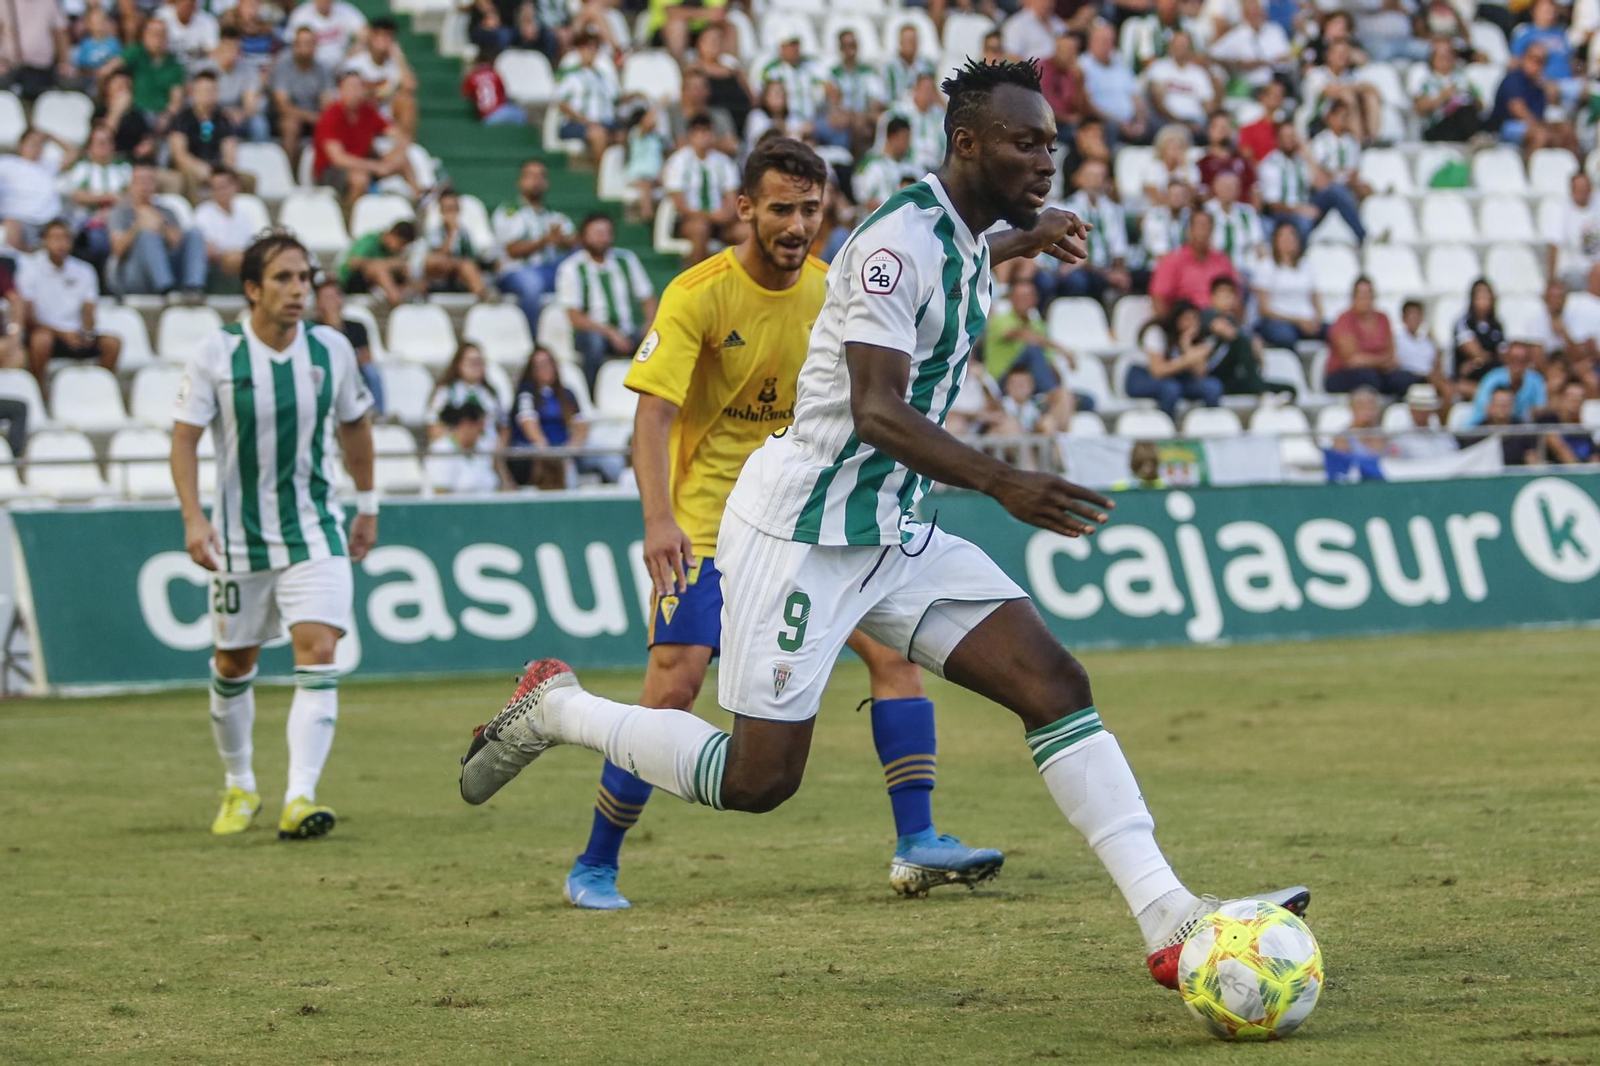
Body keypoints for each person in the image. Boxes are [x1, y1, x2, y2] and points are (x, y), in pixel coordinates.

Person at [458, 61, 1310, 968]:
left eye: (1053, 145)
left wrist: (1030, 234)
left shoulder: (963, 233)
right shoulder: (891, 244)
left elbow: (967, 255)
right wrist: (1001, 481)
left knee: (1054, 686)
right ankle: (559, 709)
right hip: (802, 535)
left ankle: (1168, 919)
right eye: (1027, 144)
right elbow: (877, 412)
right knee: (758, 782)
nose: (1047, 161)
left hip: (893, 533)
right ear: (968, 144)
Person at [477, 136, 1005, 909]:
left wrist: (1017, 237)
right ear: (745, 209)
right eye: (783, 209)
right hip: (700, 527)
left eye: (812, 210)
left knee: (894, 658)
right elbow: (652, 417)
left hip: (803, 520)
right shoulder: (697, 294)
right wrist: (657, 520)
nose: (798, 226)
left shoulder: (836, 289)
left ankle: (917, 841)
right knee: (676, 684)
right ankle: (595, 863)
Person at [170, 229, 377, 841]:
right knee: (234, 664)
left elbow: (356, 427)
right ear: (253, 289)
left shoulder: (331, 349)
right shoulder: (215, 353)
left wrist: (367, 505)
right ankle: (239, 784)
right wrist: (192, 517)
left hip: (316, 530)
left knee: (317, 650)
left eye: (305, 278)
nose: (298, 290)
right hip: (238, 539)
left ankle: (300, 797)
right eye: (284, 279)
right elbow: (184, 438)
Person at [15, 219, 120, 395]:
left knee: (113, 343)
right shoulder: (30, 268)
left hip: (75, 333)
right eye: (55, 238)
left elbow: (89, 309)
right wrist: (61, 334)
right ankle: (40, 392)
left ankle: (100, 391)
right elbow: (29, 318)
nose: (61, 243)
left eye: (65, 238)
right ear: (45, 241)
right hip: (48, 333)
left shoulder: (84, 270)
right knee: (41, 340)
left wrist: (86, 332)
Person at [554, 213, 657, 389]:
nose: (602, 238)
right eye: (596, 232)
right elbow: (575, 317)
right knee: (595, 343)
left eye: (606, 232)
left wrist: (649, 323)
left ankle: (652, 392)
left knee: (656, 339)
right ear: (583, 236)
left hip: (626, 330)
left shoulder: (625, 259)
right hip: (592, 331)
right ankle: (592, 391)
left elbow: (647, 297)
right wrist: (610, 332)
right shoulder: (571, 267)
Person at [314, 71, 422, 210]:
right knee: (359, 180)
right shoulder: (331, 115)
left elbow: (396, 134)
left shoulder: (367, 111)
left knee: (401, 161)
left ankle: (419, 197)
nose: (357, 92)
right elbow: (338, 158)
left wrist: (397, 152)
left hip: (364, 162)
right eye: (352, 87)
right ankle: (350, 217)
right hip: (331, 171)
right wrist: (376, 166)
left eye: (359, 87)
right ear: (340, 90)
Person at [493, 159, 576, 330]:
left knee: (580, 260)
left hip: (550, 271)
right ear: (520, 181)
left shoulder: (554, 215)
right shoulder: (509, 212)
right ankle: (532, 340)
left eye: (541, 176)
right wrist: (545, 241)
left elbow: (576, 242)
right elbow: (512, 250)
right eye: (530, 176)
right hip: (517, 272)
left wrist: (564, 240)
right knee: (531, 284)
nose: (536, 181)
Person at [1257, 120, 1364, 245]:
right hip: (1284, 213)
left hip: (1306, 206)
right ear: (1278, 139)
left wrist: (1308, 156)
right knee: (1303, 221)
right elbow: (1274, 205)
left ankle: (1363, 236)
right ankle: (1298, 256)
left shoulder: (1301, 160)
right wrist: (1301, 210)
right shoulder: (1270, 164)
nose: (1290, 140)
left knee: (1336, 190)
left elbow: (1322, 184)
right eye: (1285, 137)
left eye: (1292, 136)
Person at [108, 164, 208, 296]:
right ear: (131, 186)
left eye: (149, 181)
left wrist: (161, 227)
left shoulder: (167, 211)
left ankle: (194, 287)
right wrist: (139, 226)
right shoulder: (120, 212)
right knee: (148, 235)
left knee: (195, 233)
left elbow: (176, 243)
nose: (144, 186)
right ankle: (165, 288)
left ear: (155, 186)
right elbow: (118, 250)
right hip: (135, 273)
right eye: (140, 182)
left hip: (169, 266)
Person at [661, 115, 743, 266]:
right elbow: (680, 204)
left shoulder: (724, 163)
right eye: (699, 133)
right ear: (690, 136)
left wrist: (725, 215)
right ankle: (699, 281)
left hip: (721, 222)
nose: (703, 137)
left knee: (747, 232)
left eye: (707, 132)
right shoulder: (678, 161)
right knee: (700, 229)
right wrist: (710, 216)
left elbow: (732, 198)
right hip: (690, 220)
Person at [1201, 277, 1295, 399]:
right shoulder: (1207, 315)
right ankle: (1261, 391)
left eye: (1231, 295)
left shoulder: (1233, 321)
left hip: (1233, 377)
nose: (1228, 299)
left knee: (1290, 389)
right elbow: (1226, 332)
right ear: (1213, 297)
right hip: (1212, 376)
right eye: (1223, 295)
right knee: (1241, 340)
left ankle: (1261, 389)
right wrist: (1250, 340)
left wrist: (1255, 345)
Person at [508, 347, 587, 489]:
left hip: (563, 449)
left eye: (548, 363)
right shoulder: (527, 393)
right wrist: (547, 451)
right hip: (536, 450)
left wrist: (571, 448)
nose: (545, 369)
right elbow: (529, 424)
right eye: (539, 365)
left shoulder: (567, 394)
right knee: (546, 465)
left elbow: (580, 425)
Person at [1325, 276, 1418, 397]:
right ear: (1354, 297)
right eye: (1362, 294)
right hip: (1343, 374)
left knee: (1406, 380)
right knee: (1368, 378)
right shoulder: (1344, 320)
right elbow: (1352, 360)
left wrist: (1374, 361)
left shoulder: (1383, 318)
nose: (1366, 299)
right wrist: (1381, 361)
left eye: (1369, 294)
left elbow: (1391, 353)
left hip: (1378, 372)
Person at [1056, 158, 1130, 306]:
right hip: (1080, 269)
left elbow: (1119, 250)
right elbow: (1077, 257)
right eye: (1090, 176)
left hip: (1106, 268)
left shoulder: (1113, 210)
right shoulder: (1067, 208)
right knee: (1078, 280)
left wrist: (1119, 271)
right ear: (1079, 179)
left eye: (1100, 176)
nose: (1095, 181)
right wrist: (1106, 274)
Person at [1129, 301, 1224, 416]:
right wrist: (1186, 360)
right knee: (1170, 389)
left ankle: (1206, 426)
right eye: (1186, 319)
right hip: (1143, 377)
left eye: (1195, 319)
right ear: (1176, 320)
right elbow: (1157, 371)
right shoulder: (1157, 332)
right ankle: (1167, 427)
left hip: (1176, 379)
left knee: (1213, 386)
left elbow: (1201, 374)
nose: (1191, 324)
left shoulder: (1194, 337)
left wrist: (1186, 346)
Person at [167, 71, 247, 202]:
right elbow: (179, 155)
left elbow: (230, 150)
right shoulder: (181, 119)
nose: (209, 94)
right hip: (192, 169)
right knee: (191, 178)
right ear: (194, 92)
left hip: (216, 169)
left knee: (247, 180)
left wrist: (224, 171)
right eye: (205, 90)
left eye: (213, 90)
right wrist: (201, 169)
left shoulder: (223, 120)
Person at [1492, 43, 1578, 156]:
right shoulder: (1514, 78)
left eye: (1542, 61)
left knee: (1566, 129)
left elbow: (1547, 108)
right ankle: (1530, 169)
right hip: (1507, 126)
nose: (1538, 65)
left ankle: (1573, 169)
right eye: (1534, 59)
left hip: (1533, 122)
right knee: (1540, 134)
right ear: (1524, 58)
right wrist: (1542, 127)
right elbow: (1518, 110)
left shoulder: (1538, 84)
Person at [1148, 209, 1237, 317]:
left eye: (1207, 226)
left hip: (1223, 319)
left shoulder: (1222, 260)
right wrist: (1170, 328)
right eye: (1200, 226)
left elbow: (1235, 296)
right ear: (1189, 230)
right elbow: (1159, 299)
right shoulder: (1172, 261)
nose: (1204, 231)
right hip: (1190, 320)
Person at [313, 275, 383, 412]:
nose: (332, 302)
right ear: (318, 304)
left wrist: (337, 325)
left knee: (372, 372)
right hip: (324, 371)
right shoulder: (313, 329)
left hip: (354, 370)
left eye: (335, 297)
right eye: (327, 298)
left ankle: (378, 413)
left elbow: (366, 357)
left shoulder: (357, 326)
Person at [270, 26, 336, 165]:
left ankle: (326, 170)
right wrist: (312, 117)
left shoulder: (323, 69)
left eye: (310, 44)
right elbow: (283, 107)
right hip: (288, 118)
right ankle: (290, 173)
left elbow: (327, 103)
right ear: (295, 46)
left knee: (334, 122)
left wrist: (321, 118)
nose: (306, 49)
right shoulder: (283, 67)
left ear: (315, 46)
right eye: (302, 44)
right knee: (291, 125)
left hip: (315, 117)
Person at [342, 16, 416, 138]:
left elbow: (410, 86)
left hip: (386, 117)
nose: (384, 41)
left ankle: (405, 144)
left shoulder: (395, 64)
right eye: (380, 36)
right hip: (360, 115)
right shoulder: (356, 63)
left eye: (388, 37)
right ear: (371, 37)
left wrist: (399, 58)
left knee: (407, 101)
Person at [556, 31, 622, 164]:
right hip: (577, 123)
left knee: (624, 135)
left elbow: (617, 99)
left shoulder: (603, 77)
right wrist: (584, 120)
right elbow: (561, 103)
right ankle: (600, 179)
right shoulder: (570, 75)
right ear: (579, 50)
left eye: (595, 47)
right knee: (598, 134)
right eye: (587, 47)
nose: (591, 51)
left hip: (604, 122)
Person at [1081, 19, 1149, 145]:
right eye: (1103, 41)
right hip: (1104, 122)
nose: (1108, 45)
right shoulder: (1083, 66)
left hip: (1131, 121)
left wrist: (1141, 122)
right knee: (1109, 130)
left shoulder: (1120, 62)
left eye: (1110, 41)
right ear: (1091, 42)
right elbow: (1088, 104)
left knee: (1156, 127)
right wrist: (1119, 124)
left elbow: (1137, 96)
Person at [0, 129, 68, 250]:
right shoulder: (6, 163)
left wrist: (50, 136)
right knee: (11, 227)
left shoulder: (48, 165)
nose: (36, 148)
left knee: (62, 232)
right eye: (32, 143)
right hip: (19, 221)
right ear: (21, 145)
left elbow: (73, 153)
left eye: (39, 144)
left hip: (49, 221)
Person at [825, 30, 887, 157]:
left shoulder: (868, 72)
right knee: (836, 123)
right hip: (845, 119)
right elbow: (834, 103)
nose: (850, 50)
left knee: (881, 120)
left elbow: (877, 101)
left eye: (853, 45)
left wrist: (862, 117)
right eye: (846, 45)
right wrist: (853, 119)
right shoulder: (832, 74)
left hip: (864, 118)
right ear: (840, 48)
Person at [1142, 31, 1217, 134]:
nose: (1180, 49)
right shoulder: (1158, 68)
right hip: (1167, 120)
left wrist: (1210, 122)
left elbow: (1208, 104)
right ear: (1170, 47)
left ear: (1190, 49)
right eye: (1177, 45)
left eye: (1184, 45)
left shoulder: (1199, 73)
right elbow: (1158, 103)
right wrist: (1180, 122)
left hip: (1196, 121)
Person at [427, 342, 506, 439]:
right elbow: (433, 425)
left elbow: (504, 426)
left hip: (486, 448)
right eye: (471, 361)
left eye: (479, 361)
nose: (476, 366)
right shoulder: (446, 392)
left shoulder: (490, 393)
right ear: (459, 364)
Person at [421, 190, 490, 299]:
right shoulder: (435, 231)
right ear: (441, 211)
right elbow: (439, 256)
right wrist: (451, 233)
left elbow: (469, 256)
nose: (450, 214)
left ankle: (483, 297)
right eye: (447, 209)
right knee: (432, 261)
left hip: (459, 274)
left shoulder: (464, 232)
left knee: (467, 266)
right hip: (440, 273)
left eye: (453, 209)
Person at [1209, 0, 1289, 91]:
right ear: (1245, 14)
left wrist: (1263, 63)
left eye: (1258, 11)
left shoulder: (1275, 30)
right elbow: (1212, 55)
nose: (1256, 15)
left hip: (1278, 82)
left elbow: (1286, 56)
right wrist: (1237, 64)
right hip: (1250, 86)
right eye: (1252, 12)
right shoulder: (1236, 35)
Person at [426, 399, 502, 494]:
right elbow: (440, 494)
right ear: (466, 424)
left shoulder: (484, 448)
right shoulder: (441, 450)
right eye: (480, 427)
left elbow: (501, 484)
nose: (482, 432)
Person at [194, 168, 257, 282]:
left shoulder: (244, 214)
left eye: (224, 186)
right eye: (215, 188)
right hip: (219, 262)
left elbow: (251, 242)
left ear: (236, 187)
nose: (221, 191)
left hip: (243, 257)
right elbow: (210, 250)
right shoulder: (203, 213)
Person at [208, 29, 270, 144]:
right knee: (205, 125)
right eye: (227, 50)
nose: (231, 54)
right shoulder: (207, 70)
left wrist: (241, 114)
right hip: (213, 115)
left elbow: (251, 104)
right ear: (219, 51)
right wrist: (224, 115)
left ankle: (260, 159)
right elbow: (203, 101)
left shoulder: (248, 71)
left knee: (259, 124)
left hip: (239, 116)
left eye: (235, 51)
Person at [1416, 37, 1483, 143]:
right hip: (1439, 125)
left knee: (1467, 111)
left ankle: (1475, 138)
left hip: (1463, 120)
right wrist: (1443, 96)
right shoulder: (1427, 82)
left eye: (1448, 57)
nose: (1445, 60)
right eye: (1441, 57)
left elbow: (1480, 105)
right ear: (1433, 60)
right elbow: (1419, 108)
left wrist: (1470, 97)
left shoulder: (1463, 78)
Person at [1465, 339, 1545, 426]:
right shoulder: (1492, 378)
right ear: (1507, 359)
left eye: (1522, 360)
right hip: (1486, 428)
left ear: (1528, 362)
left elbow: (1541, 408)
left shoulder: (1536, 380)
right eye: (1514, 359)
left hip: (1519, 430)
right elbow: (1483, 407)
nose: (1518, 364)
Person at [338, 219, 417, 305]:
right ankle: (396, 299)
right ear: (393, 234)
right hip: (352, 281)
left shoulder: (393, 252)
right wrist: (387, 263)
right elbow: (353, 263)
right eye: (401, 243)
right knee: (377, 268)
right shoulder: (370, 240)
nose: (402, 248)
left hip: (372, 284)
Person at [883, 73, 948, 173]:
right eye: (924, 89)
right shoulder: (899, 111)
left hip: (935, 168)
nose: (927, 94)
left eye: (931, 90)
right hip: (907, 166)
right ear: (915, 89)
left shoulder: (939, 115)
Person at [854, 117, 919, 215]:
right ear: (892, 137)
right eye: (904, 138)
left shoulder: (912, 165)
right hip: (877, 218)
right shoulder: (872, 163)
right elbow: (863, 196)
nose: (907, 143)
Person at [1204, 171, 1266, 274]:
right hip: (1214, 268)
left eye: (1232, 187)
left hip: (1246, 269)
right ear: (1215, 188)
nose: (1228, 190)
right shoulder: (1206, 211)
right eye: (1225, 186)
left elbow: (1258, 244)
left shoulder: (1247, 212)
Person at [1452, 279, 1504, 401]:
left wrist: (1475, 362)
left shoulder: (1497, 325)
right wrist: (1482, 358)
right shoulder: (1463, 323)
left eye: (1487, 295)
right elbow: (1475, 352)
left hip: (1493, 377)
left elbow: (1502, 357)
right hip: (1468, 381)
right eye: (1480, 295)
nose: (1484, 299)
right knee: (1485, 394)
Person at [1548, 172, 1600, 291]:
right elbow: (1554, 246)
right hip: (1575, 270)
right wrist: (1552, 279)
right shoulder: (1561, 210)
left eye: (1586, 189)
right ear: (1572, 190)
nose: (1583, 194)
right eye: (1580, 190)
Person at [666, 71, 739, 156]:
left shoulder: (720, 115)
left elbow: (731, 146)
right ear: (683, 90)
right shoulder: (671, 114)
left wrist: (697, 144)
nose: (698, 92)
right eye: (693, 87)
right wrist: (713, 143)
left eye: (702, 87)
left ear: (708, 90)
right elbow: (676, 147)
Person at [286, 0, 368, 71]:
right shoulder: (301, 15)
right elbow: (291, 43)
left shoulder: (343, 9)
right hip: (313, 67)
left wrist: (358, 46)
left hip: (342, 65)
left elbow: (365, 32)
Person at [1196, 110, 1254, 201]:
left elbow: (1254, 191)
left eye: (1227, 126)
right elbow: (1201, 195)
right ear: (1209, 131)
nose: (1223, 130)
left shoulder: (1243, 161)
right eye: (1218, 126)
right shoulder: (1202, 162)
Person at [1537, 379, 1598, 464]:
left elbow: (1594, 458)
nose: (1576, 402)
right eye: (1572, 398)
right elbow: (1556, 444)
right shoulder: (1548, 420)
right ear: (1561, 398)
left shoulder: (1585, 431)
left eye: (1580, 398)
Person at [462, 46, 523, 126]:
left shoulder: (472, 76)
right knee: (521, 114)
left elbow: (465, 94)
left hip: (484, 117)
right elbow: (503, 93)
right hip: (496, 114)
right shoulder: (494, 74)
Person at [1395, 299, 1446, 394]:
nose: (1414, 319)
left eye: (1417, 315)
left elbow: (1437, 366)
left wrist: (1436, 344)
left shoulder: (1428, 342)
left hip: (1429, 380)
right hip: (1409, 380)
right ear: (1403, 318)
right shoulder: (1397, 340)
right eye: (1411, 315)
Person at [1141, 122, 1200, 204]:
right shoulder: (1154, 167)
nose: (1175, 150)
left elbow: (1193, 195)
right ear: (1162, 148)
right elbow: (1154, 195)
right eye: (1171, 146)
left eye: (1179, 146)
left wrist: (1184, 169)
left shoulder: (1189, 167)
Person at [157, 0, 220, 72]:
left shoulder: (208, 21)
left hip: (198, 70)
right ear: (176, 2)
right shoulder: (162, 16)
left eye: (191, 2)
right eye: (183, 1)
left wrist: (194, 52)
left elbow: (213, 51)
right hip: (168, 67)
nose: (187, 4)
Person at [883, 23, 936, 105]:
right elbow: (886, 98)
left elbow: (933, 93)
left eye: (914, 41)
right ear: (900, 43)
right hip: (898, 109)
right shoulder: (890, 68)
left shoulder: (927, 66)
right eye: (908, 41)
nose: (912, 44)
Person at [1141, 179, 1192, 262]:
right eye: (1175, 195)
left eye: (1181, 195)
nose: (1178, 199)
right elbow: (1160, 253)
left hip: (1183, 265)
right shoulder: (1155, 217)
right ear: (1166, 196)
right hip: (1155, 266)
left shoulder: (1188, 216)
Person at [1003, 0, 1067, 62]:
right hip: (1033, 69)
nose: (1047, 3)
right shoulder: (1016, 24)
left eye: (1050, 0)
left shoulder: (1057, 22)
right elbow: (1011, 55)